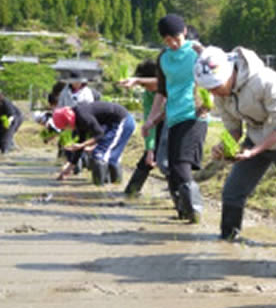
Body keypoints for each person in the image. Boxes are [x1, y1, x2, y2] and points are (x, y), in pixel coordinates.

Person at [194, 46, 276, 248]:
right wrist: (224, 147)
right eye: (209, 89)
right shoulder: (221, 95)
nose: (213, 93)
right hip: (256, 136)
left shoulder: (265, 81)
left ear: (229, 73)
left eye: (216, 86)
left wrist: (254, 151)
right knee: (233, 190)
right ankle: (227, 238)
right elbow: (234, 130)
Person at [142, 14, 208, 224]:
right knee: (169, 168)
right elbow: (162, 92)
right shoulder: (163, 58)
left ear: (185, 33)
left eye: (176, 38)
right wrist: (151, 120)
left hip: (195, 114)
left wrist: (205, 54)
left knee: (181, 165)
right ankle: (182, 210)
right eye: (167, 40)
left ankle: (195, 212)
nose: (172, 43)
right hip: (173, 116)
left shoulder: (197, 52)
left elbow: (216, 71)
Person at [52, 101, 136, 185]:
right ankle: (114, 185)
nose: (68, 129)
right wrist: (70, 168)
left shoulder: (83, 116)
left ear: (68, 120)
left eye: (66, 127)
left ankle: (100, 189)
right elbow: (81, 141)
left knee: (99, 154)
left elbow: (99, 135)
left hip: (123, 121)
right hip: (112, 125)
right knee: (110, 156)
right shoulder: (78, 117)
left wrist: (83, 145)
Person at [119, 59, 164, 196]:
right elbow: (148, 121)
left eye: (145, 84)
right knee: (147, 159)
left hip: (178, 124)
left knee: (173, 163)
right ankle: (132, 192)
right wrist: (150, 149)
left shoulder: (170, 86)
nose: (146, 88)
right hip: (157, 124)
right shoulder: (149, 95)